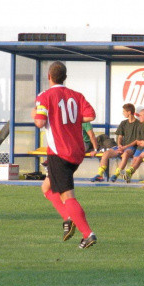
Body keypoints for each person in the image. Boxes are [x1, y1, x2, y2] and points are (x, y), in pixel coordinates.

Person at [32, 61, 98, 249]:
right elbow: (90, 115)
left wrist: (34, 113)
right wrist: (70, 119)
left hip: (59, 152)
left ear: (49, 76)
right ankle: (69, 218)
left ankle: (88, 234)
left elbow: (39, 122)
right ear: (65, 77)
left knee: (67, 195)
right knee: (46, 188)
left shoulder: (44, 96)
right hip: (77, 151)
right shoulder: (76, 96)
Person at [90, 103, 139, 182]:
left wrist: (125, 147)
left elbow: (137, 140)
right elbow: (119, 137)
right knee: (106, 153)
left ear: (129, 112)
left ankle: (116, 175)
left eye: (124, 111)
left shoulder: (138, 124)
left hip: (131, 147)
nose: (123, 113)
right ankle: (100, 174)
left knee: (125, 154)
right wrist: (119, 145)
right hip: (121, 147)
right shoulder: (123, 123)